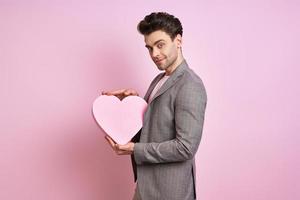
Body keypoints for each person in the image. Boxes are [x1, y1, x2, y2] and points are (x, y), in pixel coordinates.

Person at [102, 12, 207, 200]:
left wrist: (135, 149)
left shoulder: (190, 85)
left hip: (170, 192)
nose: (155, 54)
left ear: (178, 41)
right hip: (146, 187)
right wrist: (131, 105)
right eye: (149, 48)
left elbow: (185, 148)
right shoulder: (159, 79)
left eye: (160, 45)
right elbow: (153, 129)